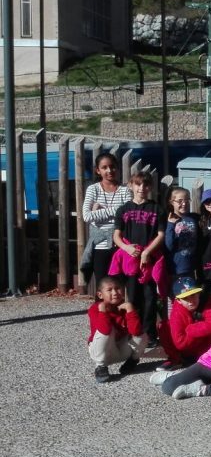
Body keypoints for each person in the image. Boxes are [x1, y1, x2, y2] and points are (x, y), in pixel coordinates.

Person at [111, 172, 165, 343]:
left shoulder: (157, 209)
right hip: (130, 260)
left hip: (149, 259)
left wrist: (147, 252)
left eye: (146, 185)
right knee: (133, 297)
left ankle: (150, 335)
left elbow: (161, 234)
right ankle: (133, 332)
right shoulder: (123, 209)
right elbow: (116, 235)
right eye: (138, 184)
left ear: (150, 187)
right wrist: (127, 248)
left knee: (150, 298)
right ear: (131, 185)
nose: (142, 188)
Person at [81, 153, 132, 289]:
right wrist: (117, 210)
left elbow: (128, 214)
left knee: (119, 285)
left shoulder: (125, 190)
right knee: (103, 285)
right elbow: (87, 216)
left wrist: (99, 211)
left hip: (120, 245)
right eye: (104, 167)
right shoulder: (93, 189)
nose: (109, 170)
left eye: (112, 166)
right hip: (100, 246)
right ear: (98, 170)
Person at [157, 277, 211, 371]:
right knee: (164, 326)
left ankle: (209, 359)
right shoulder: (177, 309)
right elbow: (180, 343)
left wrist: (191, 329)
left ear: (199, 293)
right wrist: (199, 328)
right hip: (189, 348)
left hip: (208, 348)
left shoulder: (209, 301)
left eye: (193, 295)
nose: (191, 301)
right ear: (178, 300)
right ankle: (175, 359)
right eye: (185, 298)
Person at [87, 276, 143, 383]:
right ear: (100, 295)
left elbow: (136, 332)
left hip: (121, 349)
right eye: (109, 290)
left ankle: (132, 361)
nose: (115, 292)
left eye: (118, 288)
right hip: (102, 351)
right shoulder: (95, 309)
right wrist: (103, 311)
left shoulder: (125, 307)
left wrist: (130, 310)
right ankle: (101, 367)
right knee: (109, 330)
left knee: (142, 334)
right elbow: (104, 330)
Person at [165, 187, 201, 279]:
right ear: (172, 202)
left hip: (193, 266)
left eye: (187, 200)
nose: (184, 204)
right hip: (176, 267)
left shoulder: (195, 218)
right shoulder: (167, 219)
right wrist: (170, 224)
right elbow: (169, 245)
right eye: (180, 201)